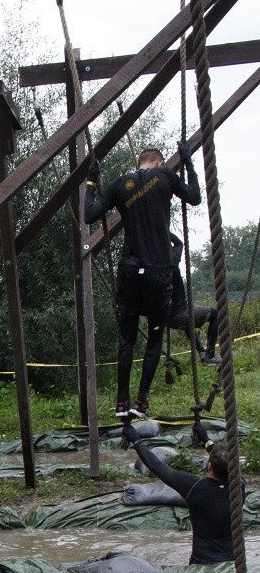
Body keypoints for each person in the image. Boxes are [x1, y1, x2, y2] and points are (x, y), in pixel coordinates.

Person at [84, 142, 201, 419]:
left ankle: (121, 403)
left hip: (129, 271)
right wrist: (188, 162)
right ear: (159, 163)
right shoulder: (165, 177)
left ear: (140, 163)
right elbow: (194, 197)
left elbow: (89, 214)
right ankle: (142, 401)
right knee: (154, 340)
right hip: (158, 273)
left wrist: (90, 181)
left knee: (126, 340)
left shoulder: (120, 184)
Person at [124, 422, 242, 564]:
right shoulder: (240, 486)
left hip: (201, 565)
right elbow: (224, 459)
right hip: (230, 565)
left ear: (209, 465)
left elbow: (157, 466)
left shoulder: (195, 487)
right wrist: (206, 440)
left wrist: (136, 440)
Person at [167, 235, 219, 364]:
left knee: (188, 324)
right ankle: (210, 354)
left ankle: (202, 352)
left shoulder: (150, 266)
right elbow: (179, 243)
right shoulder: (171, 260)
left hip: (165, 318)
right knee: (214, 314)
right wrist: (163, 229)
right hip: (179, 313)